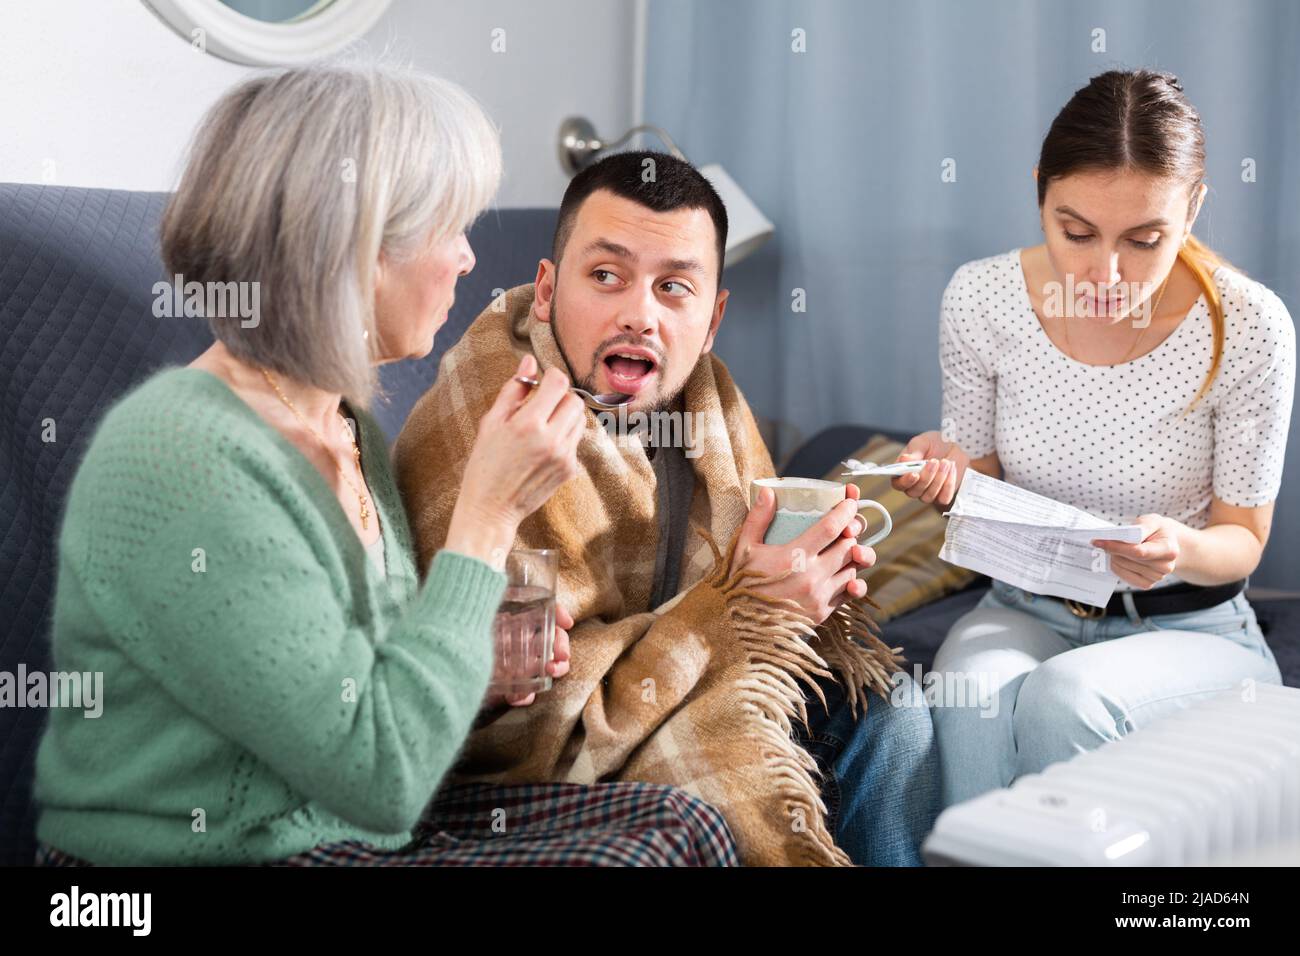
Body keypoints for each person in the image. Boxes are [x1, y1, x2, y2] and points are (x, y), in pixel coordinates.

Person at [33, 64, 736, 867]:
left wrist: (480, 676)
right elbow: (379, 776)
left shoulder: (347, 427)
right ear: (354, 248)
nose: (470, 261)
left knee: (685, 822)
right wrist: (485, 517)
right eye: (450, 230)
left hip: (357, 832)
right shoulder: (186, 455)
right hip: (207, 858)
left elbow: (354, 693)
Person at [395, 149, 940, 866]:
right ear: (548, 287)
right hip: (535, 760)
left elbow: (758, 629)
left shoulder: (712, 410)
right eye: (605, 277)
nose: (639, 315)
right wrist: (745, 605)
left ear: (712, 320)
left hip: (684, 688)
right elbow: (516, 729)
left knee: (893, 712)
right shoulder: (487, 421)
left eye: (674, 288)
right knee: (711, 803)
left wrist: (805, 596)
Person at [893, 69, 1294, 810]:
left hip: (1191, 625)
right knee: (968, 699)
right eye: (1075, 232)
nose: (1104, 273)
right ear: (1039, 192)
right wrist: (949, 473)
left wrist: (1179, 547)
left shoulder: (1250, 325)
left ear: (1194, 207)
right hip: (1023, 607)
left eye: (1145, 240)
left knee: (1064, 699)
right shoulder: (981, 299)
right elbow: (978, 500)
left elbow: (1242, 541)